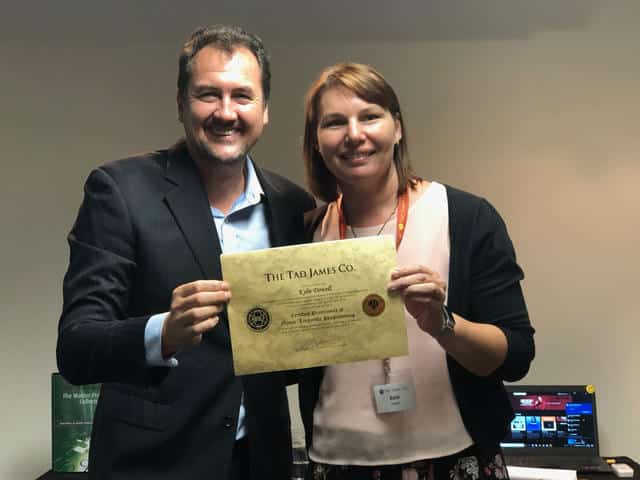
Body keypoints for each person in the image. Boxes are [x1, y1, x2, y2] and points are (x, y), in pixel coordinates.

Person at [57, 25, 315, 480]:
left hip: (261, 463)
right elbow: (77, 346)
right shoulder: (120, 190)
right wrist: (163, 333)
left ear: (265, 110)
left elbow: (284, 353)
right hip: (151, 465)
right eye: (207, 94)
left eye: (242, 96)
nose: (226, 112)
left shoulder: (293, 205)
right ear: (180, 104)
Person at [297, 63, 535, 480]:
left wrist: (443, 324)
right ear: (316, 142)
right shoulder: (303, 234)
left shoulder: (465, 217)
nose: (354, 134)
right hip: (338, 462)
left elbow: (515, 356)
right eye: (334, 122)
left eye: (370, 116)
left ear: (397, 128)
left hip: (453, 460)